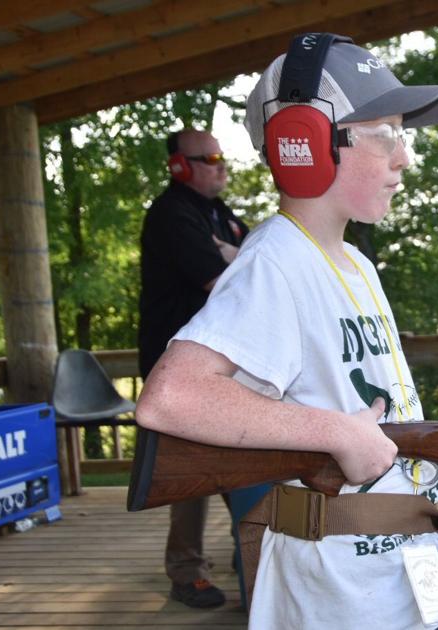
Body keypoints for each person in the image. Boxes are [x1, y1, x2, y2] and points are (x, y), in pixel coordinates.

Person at [136, 33, 438, 629]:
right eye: (387, 135)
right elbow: (171, 397)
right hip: (339, 593)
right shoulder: (274, 260)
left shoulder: (357, 265)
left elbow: (383, 435)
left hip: (402, 570)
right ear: (303, 142)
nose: (404, 157)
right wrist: (331, 432)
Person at [139, 127, 249, 608]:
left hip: (220, 361)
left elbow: (258, 262)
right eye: (209, 157)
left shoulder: (216, 212)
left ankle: (250, 552)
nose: (221, 164)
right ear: (181, 166)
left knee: (240, 461)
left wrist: (237, 255)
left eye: (221, 155)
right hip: (177, 367)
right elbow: (224, 280)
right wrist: (234, 258)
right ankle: (187, 572)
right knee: (190, 473)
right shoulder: (171, 215)